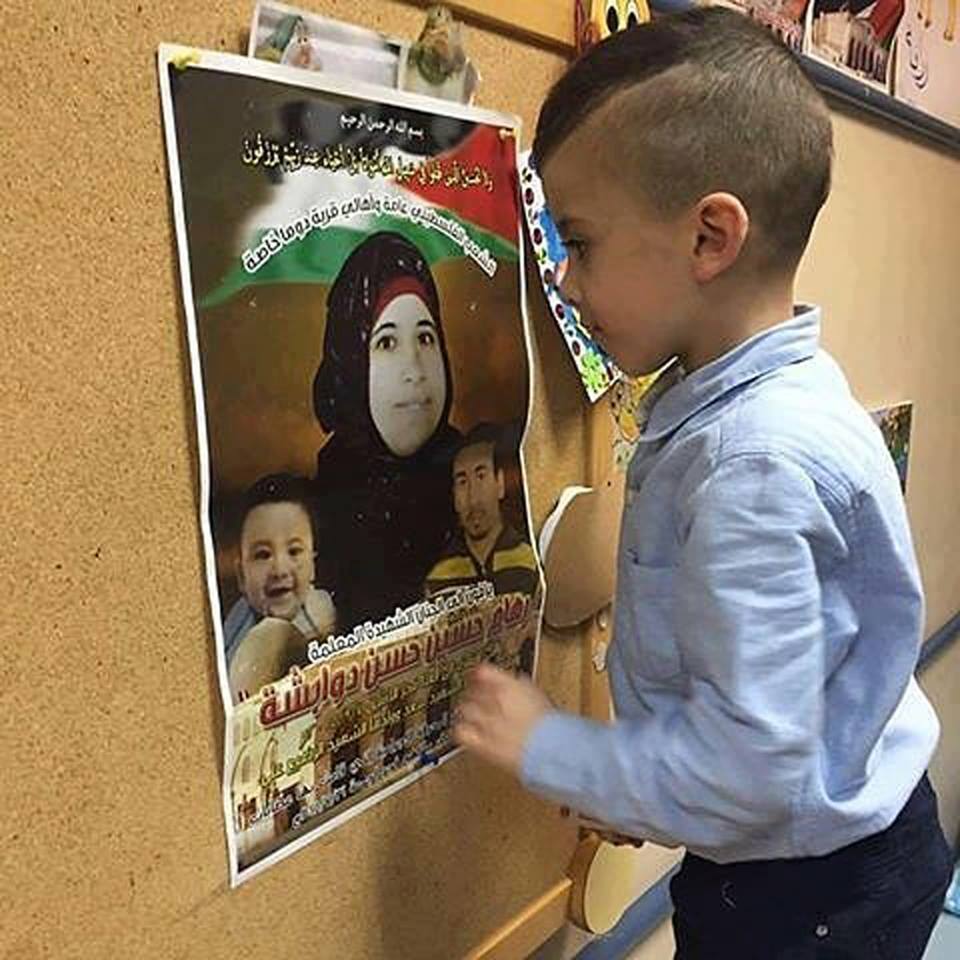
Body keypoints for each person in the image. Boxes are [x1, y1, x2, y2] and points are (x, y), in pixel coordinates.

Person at [453, 10, 952, 959]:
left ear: (710, 239)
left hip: (812, 897)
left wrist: (558, 749)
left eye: (581, 243)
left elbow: (751, 769)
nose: (561, 279)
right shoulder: (753, 400)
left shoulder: (751, 466)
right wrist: (648, 780)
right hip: (819, 854)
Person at [311, 231, 461, 632]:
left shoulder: (468, 473)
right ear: (354, 362)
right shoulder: (324, 501)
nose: (414, 369)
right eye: (387, 342)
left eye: (426, 338)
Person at [223, 473, 336, 700]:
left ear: (314, 564)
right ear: (241, 576)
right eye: (262, 554)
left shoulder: (321, 613)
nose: (280, 570)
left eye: (294, 551)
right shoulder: (238, 619)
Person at [424, 422, 538, 599]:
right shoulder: (439, 577)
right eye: (462, 482)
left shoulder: (530, 562)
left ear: (499, 484)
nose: (472, 497)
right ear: (454, 496)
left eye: (481, 476)